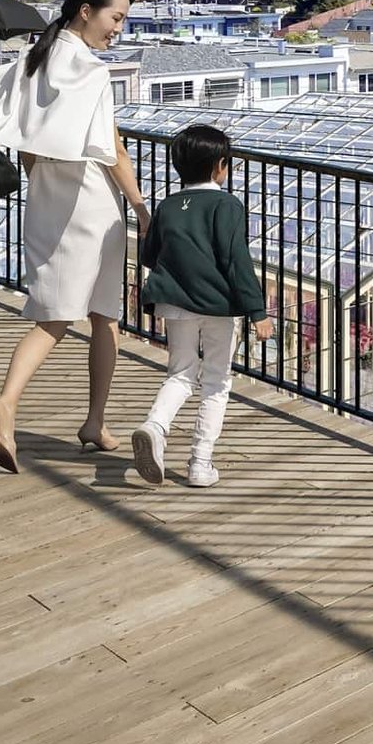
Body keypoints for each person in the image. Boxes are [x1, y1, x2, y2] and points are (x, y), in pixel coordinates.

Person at [0, 0, 152, 473]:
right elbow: (111, 147)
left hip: (46, 195)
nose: (118, 28)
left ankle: (95, 423)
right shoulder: (91, 71)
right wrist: (139, 205)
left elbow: (26, 140)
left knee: (60, 307)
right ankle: (8, 403)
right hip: (91, 199)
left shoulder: (33, 61)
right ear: (85, 11)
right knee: (90, 316)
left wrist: (44, 181)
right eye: (116, 17)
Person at [128, 124, 271, 489]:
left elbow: (149, 256)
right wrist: (257, 312)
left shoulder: (169, 206)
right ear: (220, 166)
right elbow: (236, 260)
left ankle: (155, 426)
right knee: (216, 382)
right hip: (219, 306)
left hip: (174, 303)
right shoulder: (227, 205)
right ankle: (199, 463)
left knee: (180, 374)